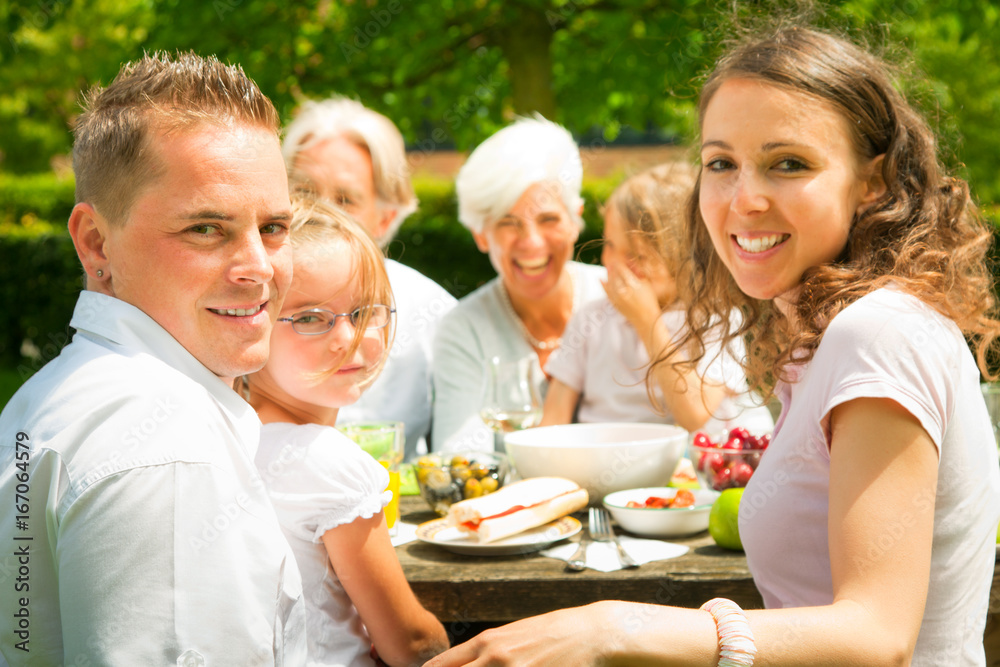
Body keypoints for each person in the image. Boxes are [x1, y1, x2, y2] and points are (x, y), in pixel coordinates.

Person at [424, 26, 1000, 667]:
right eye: (721, 164)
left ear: (874, 180)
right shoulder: (823, 337)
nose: (744, 200)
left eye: (789, 163)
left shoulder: (878, 332)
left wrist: (611, 629)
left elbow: (876, 635)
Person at [0, 53, 306, 664]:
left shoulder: (57, 391)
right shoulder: (167, 446)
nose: (259, 267)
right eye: (206, 229)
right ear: (96, 243)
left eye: (274, 227)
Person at [242, 194, 449, 666]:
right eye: (310, 318)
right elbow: (413, 646)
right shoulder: (324, 460)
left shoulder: (227, 433)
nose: (347, 339)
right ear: (254, 321)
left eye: (365, 312)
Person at [540, 162, 773, 435]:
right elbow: (553, 420)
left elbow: (694, 415)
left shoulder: (717, 322)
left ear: (684, 258)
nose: (613, 263)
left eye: (636, 256)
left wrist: (648, 322)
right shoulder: (590, 320)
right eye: (610, 244)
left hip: (687, 459)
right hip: (602, 456)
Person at [282, 96, 456, 460]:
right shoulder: (250, 297)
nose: (321, 213)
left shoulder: (437, 313)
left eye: (345, 199)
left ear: (386, 218)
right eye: (304, 192)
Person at [432, 115, 606, 452]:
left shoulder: (617, 299)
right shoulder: (464, 329)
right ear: (481, 235)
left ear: (575, 220)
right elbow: (460, 455)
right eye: (508, 223)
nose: (532, 243)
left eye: (549, 219)